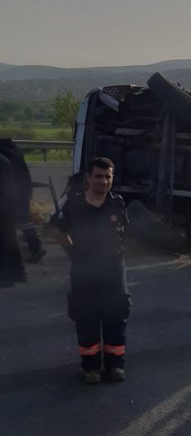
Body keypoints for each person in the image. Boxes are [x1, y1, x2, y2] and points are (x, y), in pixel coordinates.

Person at [52, 157, 131, 384]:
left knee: (116, 315)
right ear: (88, 178)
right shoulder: (74, 204)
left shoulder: (117, 203)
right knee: (86, 316)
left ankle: (116, 365)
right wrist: (74, 254)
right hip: (84, 269)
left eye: (108, 177)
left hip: (114, 269)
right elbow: (58, 231)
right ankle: (91, 368)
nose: (103, 181)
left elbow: (123, 232)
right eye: (98, 176)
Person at [0, 139, 46, 263]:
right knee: (23, 219)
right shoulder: (13, 151)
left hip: (13, 191)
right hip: (24, 189)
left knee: (15, 221)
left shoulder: (3, 154)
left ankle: (35, 247)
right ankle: (35, 247)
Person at [0, 150, 27, 287]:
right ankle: (18, 272)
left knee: (4, 241)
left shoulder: (2, 162)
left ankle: (5, 278)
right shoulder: (4, 159)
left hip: (4, 206)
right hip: (8, 206)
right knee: (8, 239)